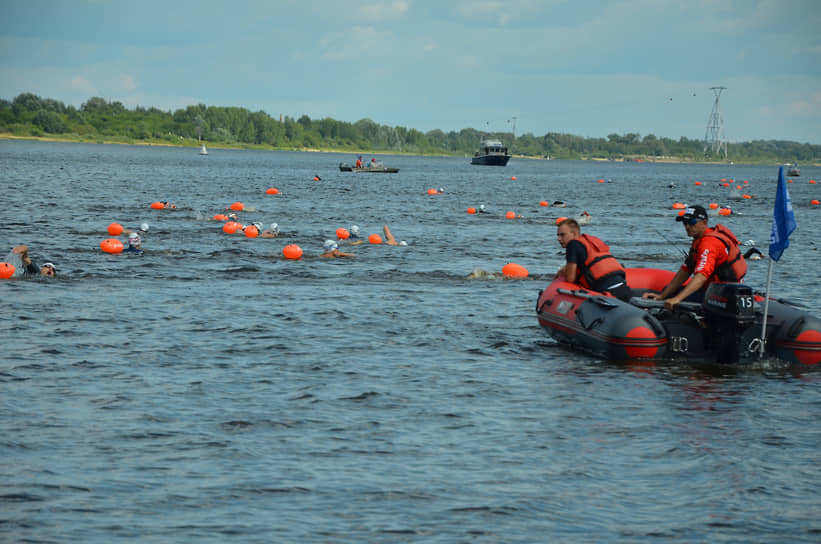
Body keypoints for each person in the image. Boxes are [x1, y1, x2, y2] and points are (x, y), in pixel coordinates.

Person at [643, 205, 746, 309]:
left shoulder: (709, 243)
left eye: (692, 223)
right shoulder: (698, 240)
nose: (687, 226)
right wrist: (662, 296)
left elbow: (701, 276)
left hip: (722, 294)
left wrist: (677, 299)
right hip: (711, 290)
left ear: (704, 223)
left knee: (675, 296)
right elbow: (685, 270)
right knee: (669, 292)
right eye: (685, 223)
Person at [554, 218, 631, 301]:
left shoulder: (572, 244)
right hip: (623, 286)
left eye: (562, 235)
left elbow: (570, 279)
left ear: (574, 233)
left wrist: (564, 272)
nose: (559, 239)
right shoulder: (589, 242)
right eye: (558, 235)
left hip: (608, 292)